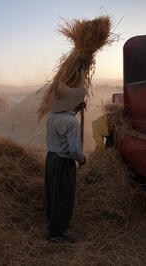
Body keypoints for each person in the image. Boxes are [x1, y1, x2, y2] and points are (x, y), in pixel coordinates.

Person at [45, 81, 86, 243]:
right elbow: (75, 150)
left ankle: (54, 221)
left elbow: (65, 117)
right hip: (63, 162)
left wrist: (76, 110)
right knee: (64, 196)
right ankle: (56, 234)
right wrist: (82, 159)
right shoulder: (72, 123)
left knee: (53, 194)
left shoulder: (52, 115)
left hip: (51, 159)